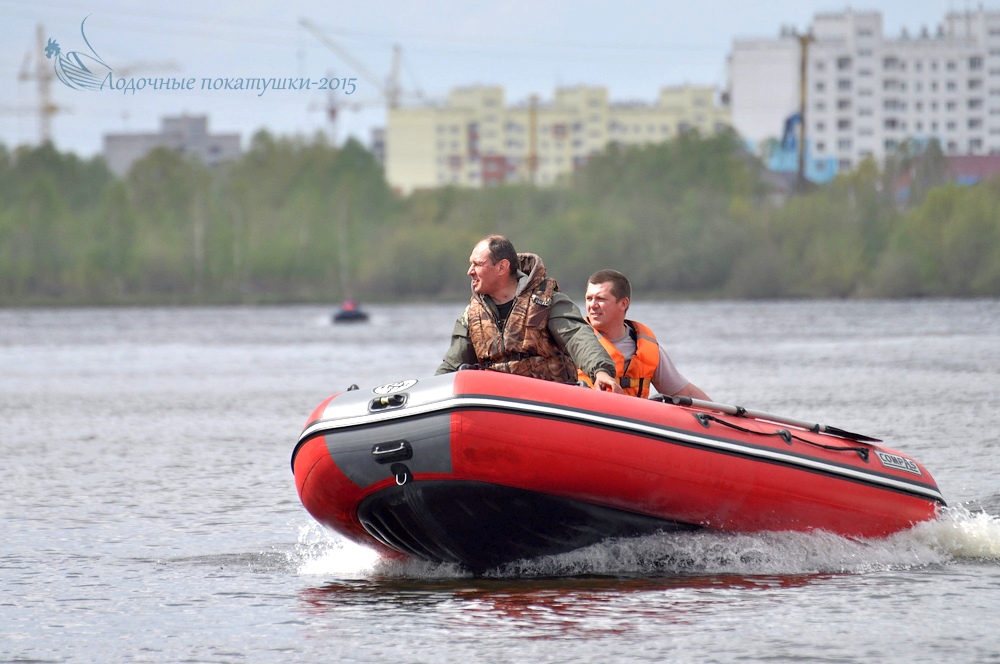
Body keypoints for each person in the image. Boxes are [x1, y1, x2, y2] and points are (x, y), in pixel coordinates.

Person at [436, 235, 622, 393]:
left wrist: (601, 371)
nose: (470, 272)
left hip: (548, 401)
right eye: (471, 264)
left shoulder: (548, 301)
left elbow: (577, 336)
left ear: (502, 267)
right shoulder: (472, 314)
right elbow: (452, 364)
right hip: (496, 405)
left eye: (477, 264)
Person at [578, 269, 711, 401]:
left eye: (600, 299)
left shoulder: (646, 346)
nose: (592, 305)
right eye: (589, 298)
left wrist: (724, 415)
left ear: (623, 303)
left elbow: (683, 391)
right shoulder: (574, 339)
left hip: (632, 417)